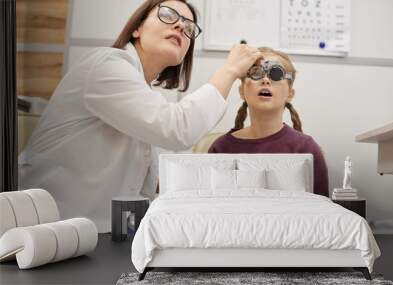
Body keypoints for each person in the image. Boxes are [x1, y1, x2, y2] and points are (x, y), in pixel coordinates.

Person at [18, 0, 263, 232]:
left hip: (96, 236)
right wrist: (230, 69)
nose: (180, 26)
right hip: (44, 231)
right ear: (137, 28)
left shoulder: (143, 98)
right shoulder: (105, 65)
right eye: (168, 15)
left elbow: (141, 187)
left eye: (189, 27)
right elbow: (177, 128)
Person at [208, 47, 329, 197]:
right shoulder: (221, 148)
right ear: (241, 91)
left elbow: (322, 211)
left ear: (290, 94)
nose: (265, 80)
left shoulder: (306, 148)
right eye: (256, 73)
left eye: (276, 74)